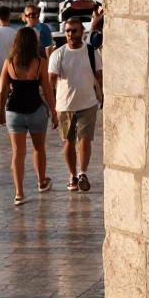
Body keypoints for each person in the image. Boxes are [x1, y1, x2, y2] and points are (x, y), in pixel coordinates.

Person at [0, 26, 58, 205]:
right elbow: (47, 91)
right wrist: (53, 112)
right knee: (39, 148)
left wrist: (1, 112)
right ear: (34, 43)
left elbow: (1, 91)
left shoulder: (9, 63)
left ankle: (19, 193)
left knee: (18, 153)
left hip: (14, 112)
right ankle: (41, 182)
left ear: (16, 42)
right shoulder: (40, 62)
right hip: (36, 110)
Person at [49, 17, 103, 193]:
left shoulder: (91, 52)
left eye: (74, 30)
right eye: (67, 31)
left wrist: (102, 95)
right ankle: (72, 175)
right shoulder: (58, 54)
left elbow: (99, 76)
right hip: (65, 106)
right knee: (69, 142)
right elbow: (50, 82)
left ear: (82, 32)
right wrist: (51, 107)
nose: (70, 34)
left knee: (85, 139)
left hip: (88, 103)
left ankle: (83, 173)